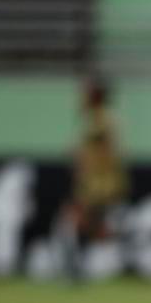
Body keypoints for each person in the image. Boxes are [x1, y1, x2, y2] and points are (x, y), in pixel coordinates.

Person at [62, 76, 127, 282]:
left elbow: (110, 152)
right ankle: (80, 267)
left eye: (87, 93)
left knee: (77, 220)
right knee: (89, 226)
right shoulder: (97, 119)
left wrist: (81, 158)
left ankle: (77, 268)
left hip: (98, 185)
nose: (82, 97)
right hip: (94, 183)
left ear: (95, 96)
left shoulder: (102, 119)